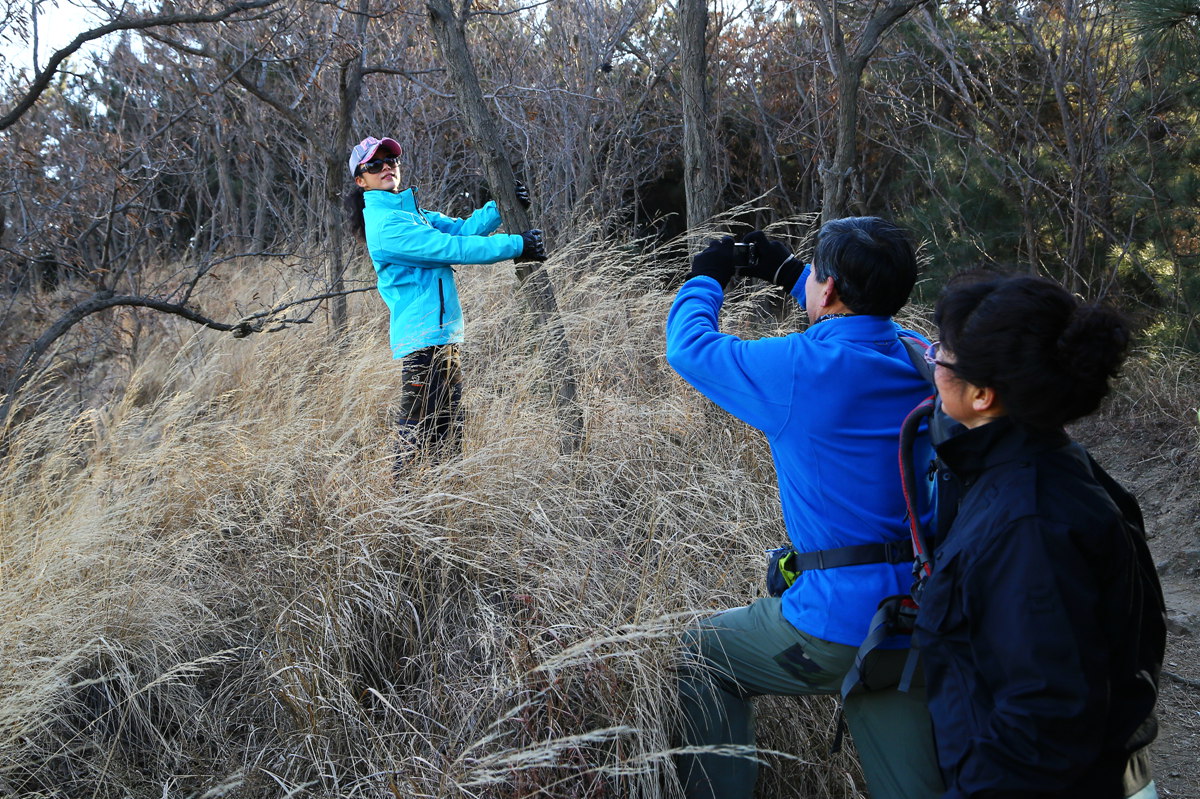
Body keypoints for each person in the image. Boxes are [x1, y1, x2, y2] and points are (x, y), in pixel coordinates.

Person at [664, 218, 944, 799]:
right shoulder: (922, 360)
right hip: (921, 614)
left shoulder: (798, 369)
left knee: (700, 654)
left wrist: (706, 278)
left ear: (833, 287)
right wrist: (790, 272)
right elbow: (859, 322)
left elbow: (688, 347)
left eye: (817, 274)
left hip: (834, 626)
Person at [914, 273, 1166, 799]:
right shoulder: (1049, 465)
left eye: (942, 353)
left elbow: (1042, 723)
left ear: (983, 394)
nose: (932, 361)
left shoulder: (1028, 526)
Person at [346, 136, 546, 468]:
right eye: (375, 165)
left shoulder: (411, 212)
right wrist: (516, 245)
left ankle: (446, 501)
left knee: (447, 429)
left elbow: (464, 230)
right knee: (416, 432)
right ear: (361, 180)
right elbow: (450, 248)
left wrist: (503, 205)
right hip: (421, 340)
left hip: (444, 335)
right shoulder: (385, 226)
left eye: (391, 161)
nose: (386, 168)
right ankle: (405, 508)